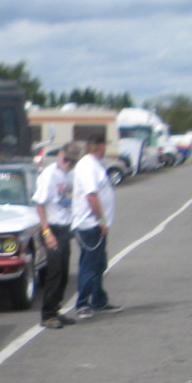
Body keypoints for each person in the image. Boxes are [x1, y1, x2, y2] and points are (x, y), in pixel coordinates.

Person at [32, 142, 80, 328]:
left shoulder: (70, 174)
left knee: (64, 273)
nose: (68, 163)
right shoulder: (50, 175)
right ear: (60, 154)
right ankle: (47, 315)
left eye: (72, 161)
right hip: (52, 228)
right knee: (54, 272)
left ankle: (56, 309)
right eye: (66, 159)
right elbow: (40, 205)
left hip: (65, 227)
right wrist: (46, 232)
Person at [71, 136, 120, 318]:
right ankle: (83, 304)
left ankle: (99, 300)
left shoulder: (95, 164)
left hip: (96, 224)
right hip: (89, 223)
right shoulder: (87, 165)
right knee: (89, 265)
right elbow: (91, 196)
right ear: (99, 146)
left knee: (99, 264)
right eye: (104, 145)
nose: (105, 148)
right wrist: (101, 220)